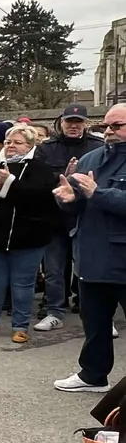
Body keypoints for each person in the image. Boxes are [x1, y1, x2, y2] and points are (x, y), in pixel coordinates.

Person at [52, 104, 126, 392]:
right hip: (91, 255)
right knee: (94, 323)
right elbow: (76, 202)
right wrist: (67, 199)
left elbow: (105, 198)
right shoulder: (91, 158)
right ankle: (93, 375)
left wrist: (99, 194)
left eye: (116, 126)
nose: (108, 131)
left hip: (122, 257)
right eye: (106, 125)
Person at [0, 125, 58, 343]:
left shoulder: (40, 168)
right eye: (7, 142)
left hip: (28, 239)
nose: (11, 146)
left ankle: (20, 326)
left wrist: (10, 183)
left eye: (17, 142)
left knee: (23, 285)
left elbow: (40, 197)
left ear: (29, 145)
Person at [33, 104, 105, 332]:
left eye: (78, 122)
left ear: (85, 124)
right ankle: (55, 312)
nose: (73, 126)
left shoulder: (98, 146)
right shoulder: (46, 148)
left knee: (88, 268)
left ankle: (95, 314)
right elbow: (40, 178)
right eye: (69, 121)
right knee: (54, 270)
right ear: (61, 122)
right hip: (56, 218)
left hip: (86, 217)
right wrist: (63, 175)